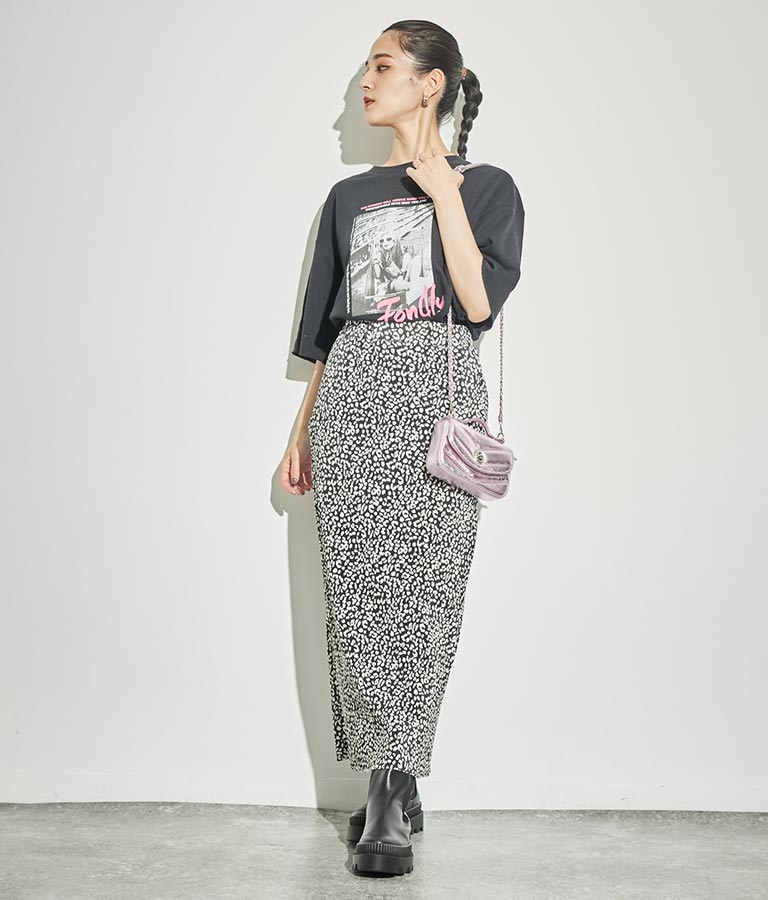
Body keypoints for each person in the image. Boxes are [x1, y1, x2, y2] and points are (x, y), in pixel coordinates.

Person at [280, 20, 525, 877]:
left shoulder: (488, 186)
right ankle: (390, 782)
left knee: (423, 595)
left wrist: (443, 190)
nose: (364, 83)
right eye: (366, 68)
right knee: (356, 596)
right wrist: (300, 431)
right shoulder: (346, 198)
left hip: (437, 400)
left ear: (432, 83)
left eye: (382, 66)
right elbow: (329, 330)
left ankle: (390, 785)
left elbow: (478, 303)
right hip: (352, 397)